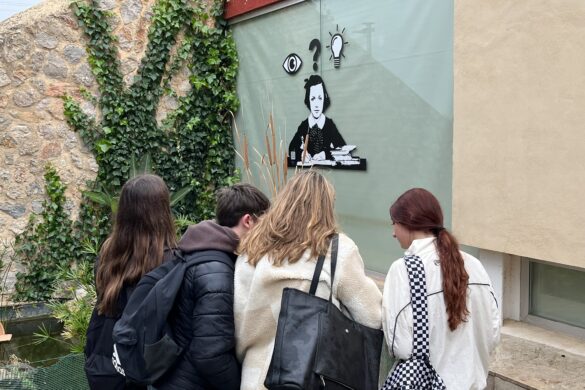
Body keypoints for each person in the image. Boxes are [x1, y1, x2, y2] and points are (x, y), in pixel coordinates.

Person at [234, 170, 382, 390]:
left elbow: (240, 319)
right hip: (310, 379)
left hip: (255, 377)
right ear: (326, 207)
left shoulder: (252, 247)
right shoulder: (336, 250)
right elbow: (372, 317)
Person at [154, 183, 270, 390]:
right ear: (248, 221)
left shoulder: (198, 249)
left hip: (174, 377)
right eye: (265, 224)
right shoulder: (216, 271)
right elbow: (210, 354)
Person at [382, 188, 500, 390]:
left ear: (407, 223)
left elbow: (400, 346)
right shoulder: (474, 265)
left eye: (394, 223)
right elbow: (493, 335)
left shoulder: (402, 271)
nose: (393, 233)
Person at [85, 174, 177, 390]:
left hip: (105, 360)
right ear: (162, 211)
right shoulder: (170, 261)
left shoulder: (108, 252)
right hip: (146, 368)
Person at [288, 75, 346, 163]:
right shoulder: (304, 126)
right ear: (308, 100)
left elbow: (343, 149)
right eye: (313, 99)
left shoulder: (329, 125)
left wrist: (326, 154)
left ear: (324, 99)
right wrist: (301, 154)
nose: (316, 104)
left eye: (320, 98)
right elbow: (291, 148)